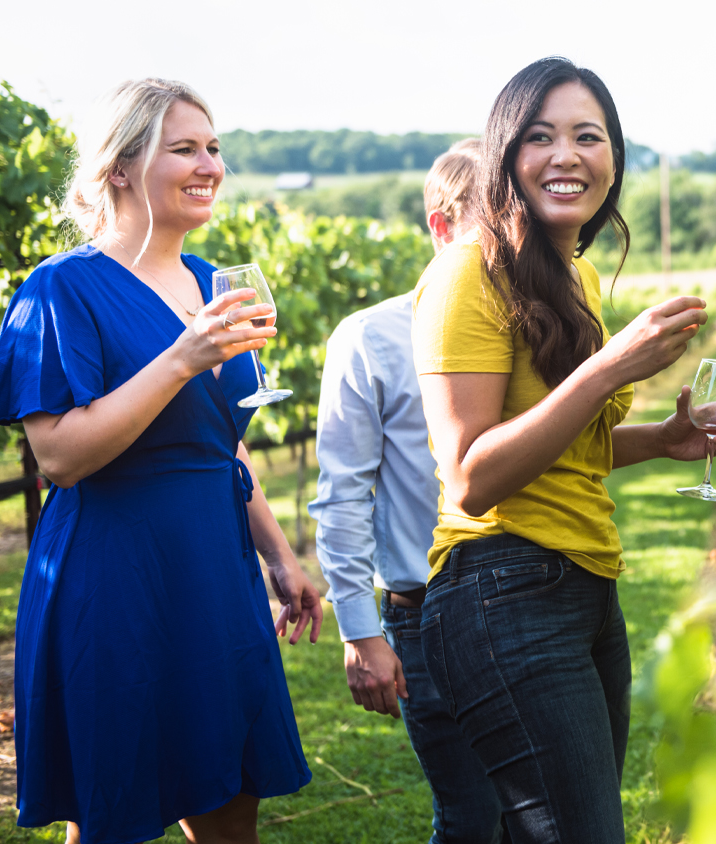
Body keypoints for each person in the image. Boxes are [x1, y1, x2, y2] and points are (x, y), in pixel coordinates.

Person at [413, 57, 716, 843]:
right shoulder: (469, 271)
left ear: (613, 158)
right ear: (506, 153)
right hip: (501, 585)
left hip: (585, 584)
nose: (566, 155)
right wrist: (609, 368)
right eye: (540, 137)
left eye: (586, 136)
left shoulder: (577, 275)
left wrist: (664, 440)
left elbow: (561, 451)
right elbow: (469, 477)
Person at [0, 79, 321, 844]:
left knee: (233, 804)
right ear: (120, 167)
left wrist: (277, 553)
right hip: (115, 577)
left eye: (214, 148)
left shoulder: (211, 282)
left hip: (216, 572)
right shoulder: (59, 289)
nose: (209, 165)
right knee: (115, 809)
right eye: (185, 149)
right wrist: (180, 357)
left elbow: (222, 438)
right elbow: (60, 456)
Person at [308, 138, 505, 844]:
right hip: (427, 613)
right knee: (473, 819)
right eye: (498, 222)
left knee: (539, 813)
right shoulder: (370, 338)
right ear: (442, 224)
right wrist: (361, 633)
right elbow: (342, 494)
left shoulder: (531, 326)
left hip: (532, 598)